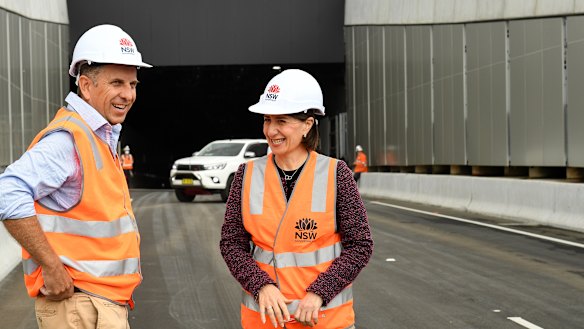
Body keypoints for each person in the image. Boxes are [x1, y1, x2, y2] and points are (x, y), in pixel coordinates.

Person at [0, 24, 151, 329]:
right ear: (85, 85)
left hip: (97, 303)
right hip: (80, 306)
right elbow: (8, 191)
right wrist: (51, 266)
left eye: (133, 84)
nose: (128, 94)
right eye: (117, 83)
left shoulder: (100, 136)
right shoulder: (67, 139)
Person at [220, 69, 374, 329]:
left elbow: (360, 246)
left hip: (324, 320)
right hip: (265, 321)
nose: (271, 130)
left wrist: (319, 292)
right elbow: (231, 243)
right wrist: (261, 286)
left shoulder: (337, 174)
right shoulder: (246, 175)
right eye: (268, 120)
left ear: (307, 124)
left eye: (282, 121)